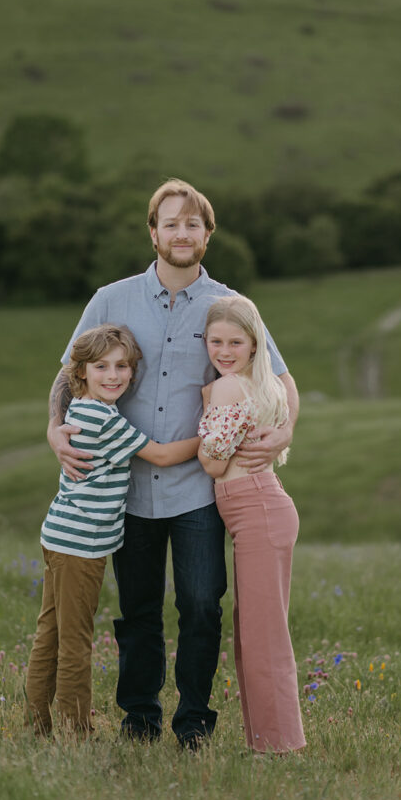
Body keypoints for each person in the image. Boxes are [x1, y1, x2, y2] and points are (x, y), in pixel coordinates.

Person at [47, 178, 299, 748]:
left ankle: (193, 724)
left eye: (192, 224)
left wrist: (283, 427)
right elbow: (69, 374)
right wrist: (53, 431)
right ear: (153, 232)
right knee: (137, 611)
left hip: (197, 493)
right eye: (170, 223)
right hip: (125, 490)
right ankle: (139, 718)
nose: (180, 233)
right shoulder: (110, 299)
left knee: (202, 607)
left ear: (207, 234)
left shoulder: (230, 306)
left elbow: (281, 378)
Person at [26, 323, 200, 736]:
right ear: (81, 371)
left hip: (60, 537)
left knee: (49, 632)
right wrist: (207, 437)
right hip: (80, 549)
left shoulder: (83, 410)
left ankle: (37, 725)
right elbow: (157, 455)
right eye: (101, 366)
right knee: (73, 641)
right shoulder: (102, 417)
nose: (114, 375)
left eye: (122, 366)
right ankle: (75, 732)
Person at [198, 295, 306, 754]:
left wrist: (204, 409)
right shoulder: (262, 386)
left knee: (262, 636)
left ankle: (279, 745)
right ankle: (267, 740)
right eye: (215, 340)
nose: (223, 350)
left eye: (235, 342)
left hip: (257, 509)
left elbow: (212, 465)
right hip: (267, 507)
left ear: (255, 344)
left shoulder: (226, 389)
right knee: (259, 630)